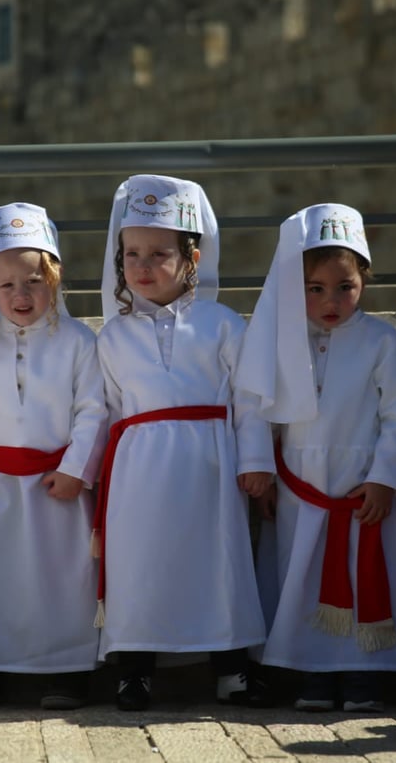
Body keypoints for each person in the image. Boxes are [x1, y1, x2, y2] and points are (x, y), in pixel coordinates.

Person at [94, 174, 270, 710]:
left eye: (159, 253)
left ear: (192, 257)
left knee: (219, 563)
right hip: (138, 471)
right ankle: (135, 670)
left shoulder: (222, 324)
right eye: (132, 254)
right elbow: (108, 410)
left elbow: (250, 399)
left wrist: (255, 459)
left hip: (210, 464)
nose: (143, 266)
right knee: (139, 565)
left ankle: (232, 670)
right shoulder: (112, 335)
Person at [236, 203, 396, 712]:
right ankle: (311, 674)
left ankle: (364, 674)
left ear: (365, 280)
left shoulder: (383, 340)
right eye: (315, 288)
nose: (330, 300)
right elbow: (256, 405)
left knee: (367, 578)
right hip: (301, 488)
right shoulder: (279, 341)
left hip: (365, 490)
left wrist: (384, 479)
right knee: (301, 578)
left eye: (345, 286)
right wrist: (264, 473)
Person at [0, 202, 107, 710]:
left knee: (65, 578)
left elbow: (92, 411)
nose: (22, 295)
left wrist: (75, 471)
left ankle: (68, 670)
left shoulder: (80, 341)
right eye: (9, 284)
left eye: (34, 282)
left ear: (54, 281)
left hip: (57, 485)